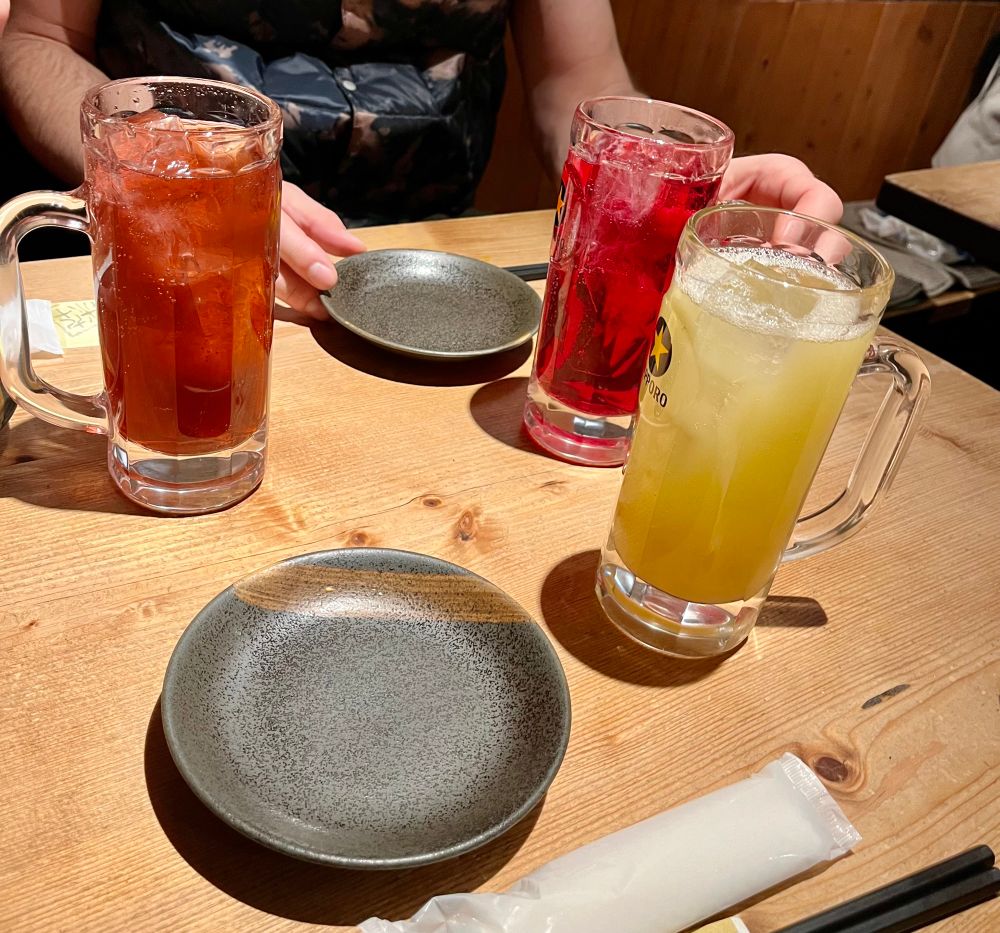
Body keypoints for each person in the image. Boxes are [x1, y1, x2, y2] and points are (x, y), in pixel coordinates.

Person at [0, 0, 840, 325]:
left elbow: (576, 77)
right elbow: (37, 40)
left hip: (421, 277)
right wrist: (172, 161)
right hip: (167, 242)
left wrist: (656, 197)